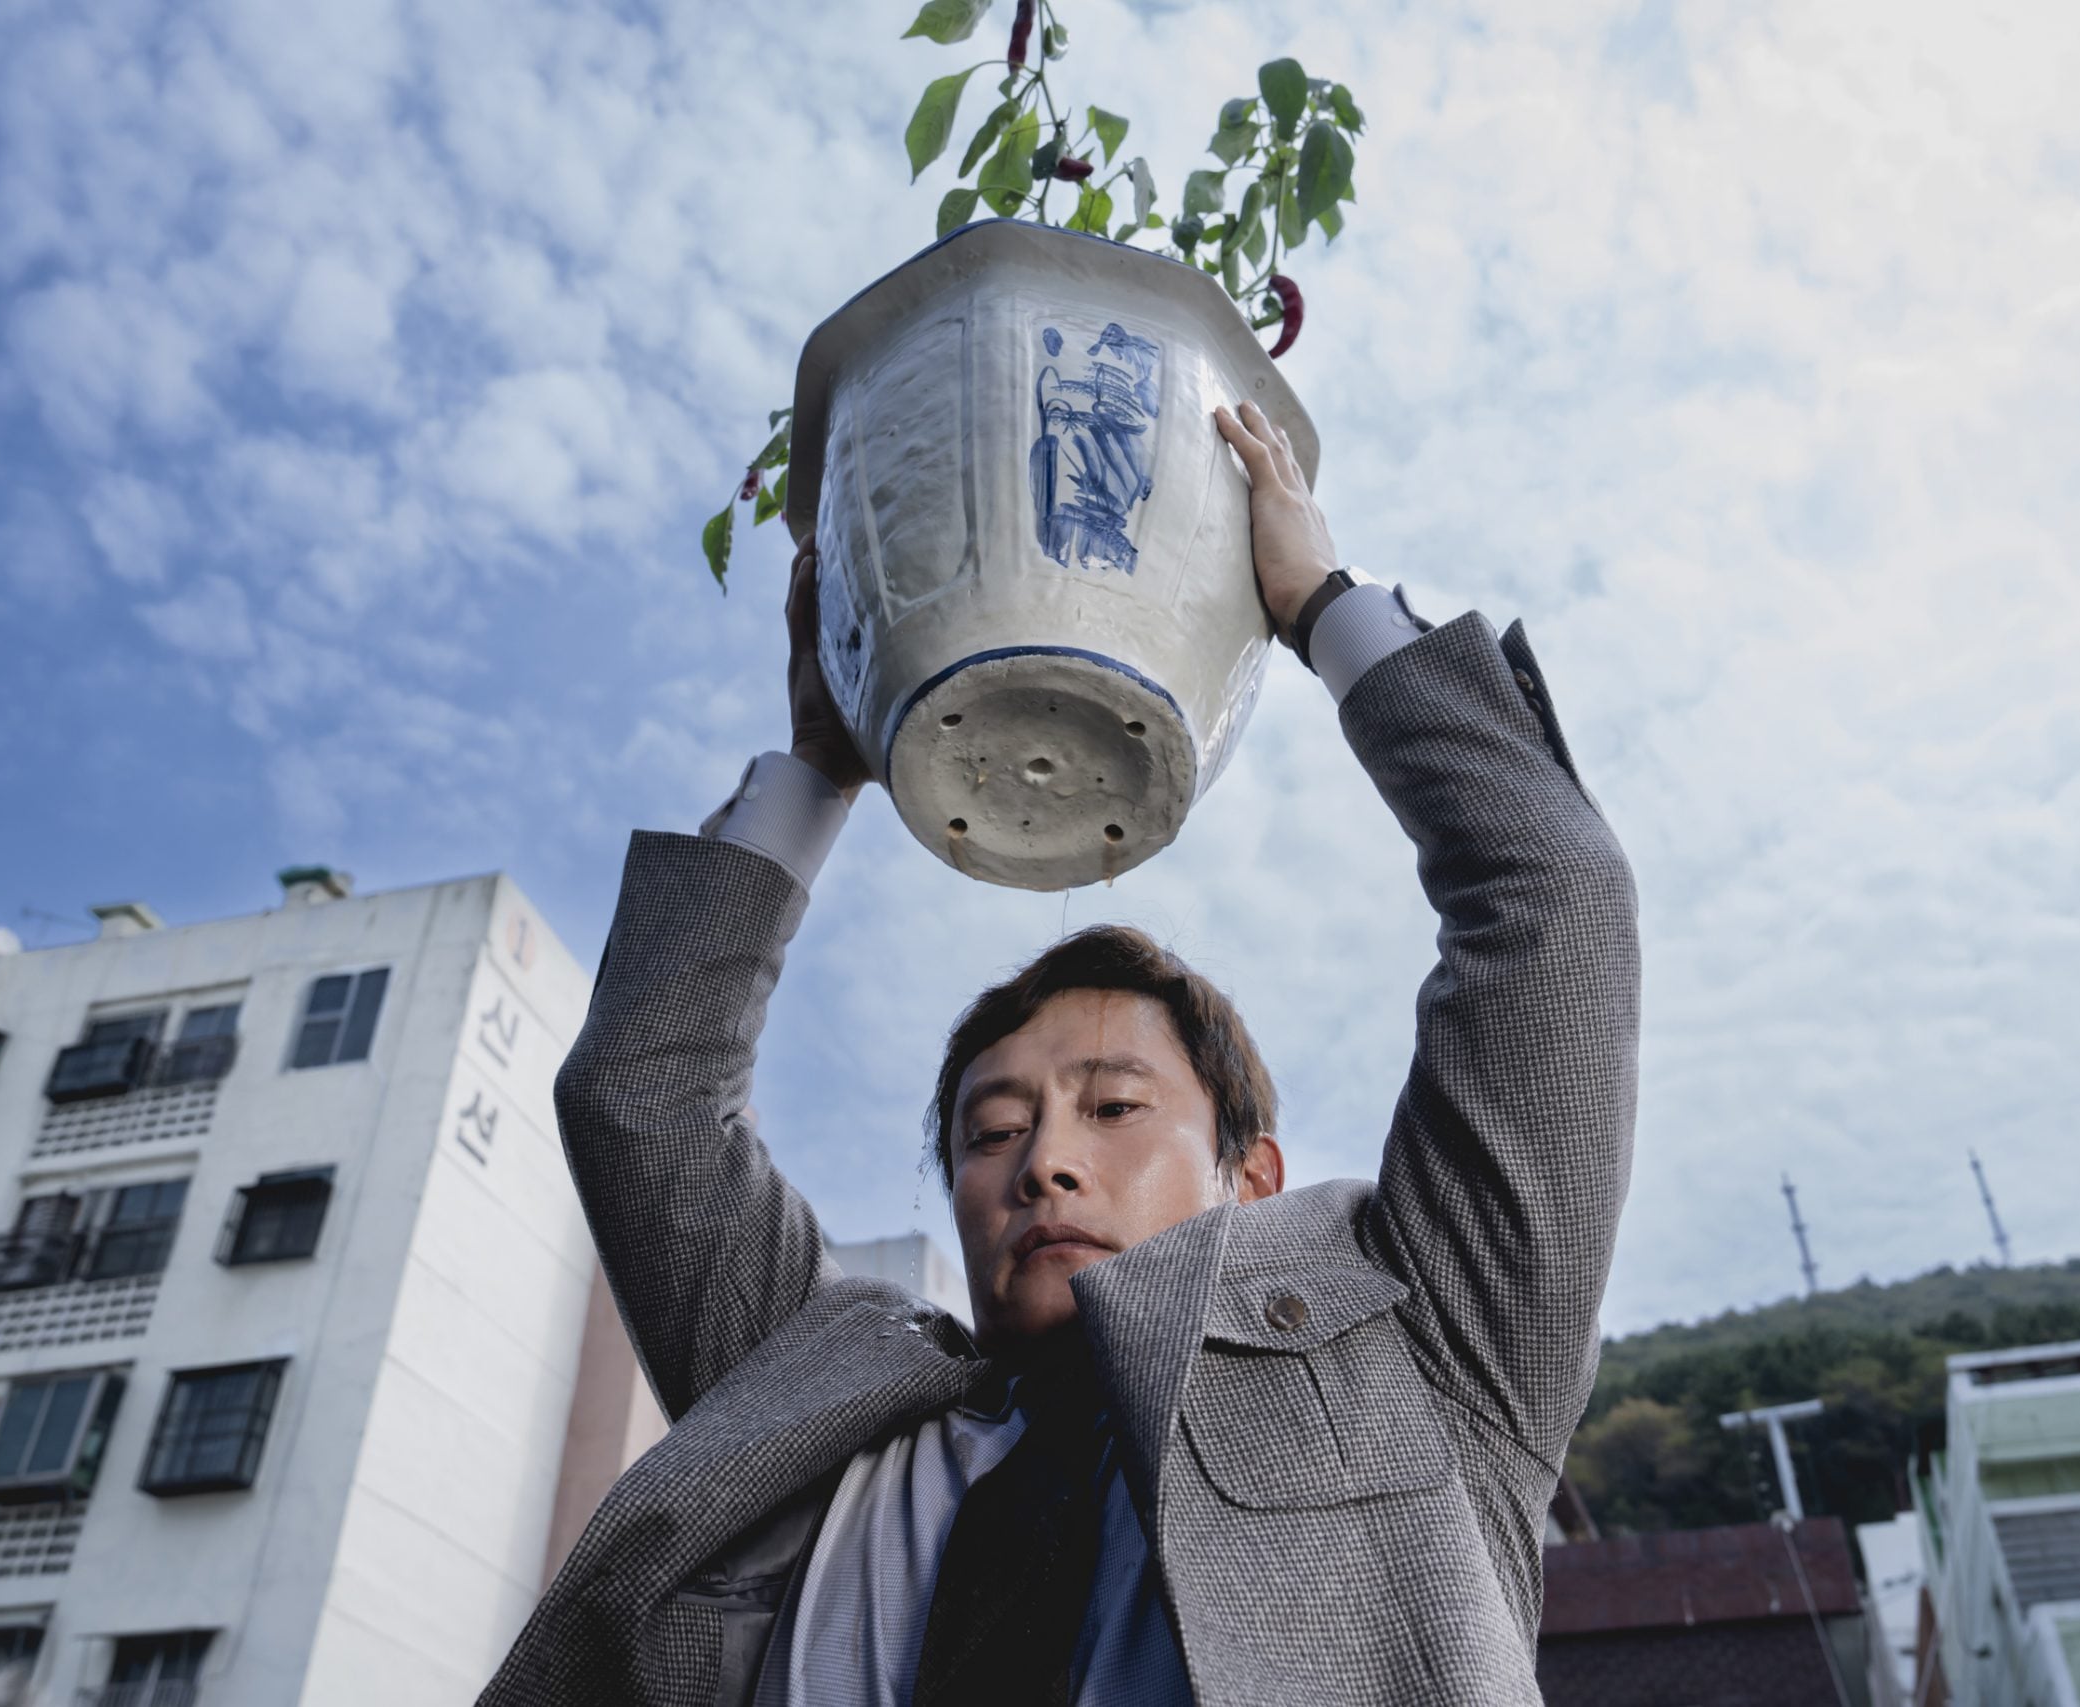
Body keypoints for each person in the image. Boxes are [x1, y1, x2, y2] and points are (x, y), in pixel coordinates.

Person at [481, 401, 1640, 1706]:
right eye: (992, 1131)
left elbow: (1556, 905)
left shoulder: (1430, 1344)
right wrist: (819, 762)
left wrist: (1319, 602)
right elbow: (640, 1095)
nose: (1044, 1165)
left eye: (1115, 1108)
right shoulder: (810, 1401)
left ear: (1246, 1180)